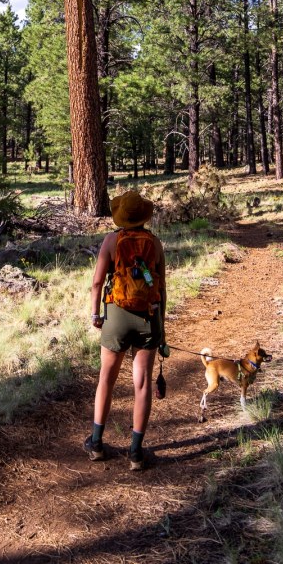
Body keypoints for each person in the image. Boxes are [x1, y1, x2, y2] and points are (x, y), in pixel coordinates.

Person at [85, 189, 166, 471]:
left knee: (106, 379)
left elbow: (97, 283)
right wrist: (161, 328)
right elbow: (161, 288)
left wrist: (96, 314)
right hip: (148, 318)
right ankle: (135, 453)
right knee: (141, 383)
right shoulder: (155, 243)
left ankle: (96, 444)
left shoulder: (112, 240)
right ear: (143, 216)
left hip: (116, 316)